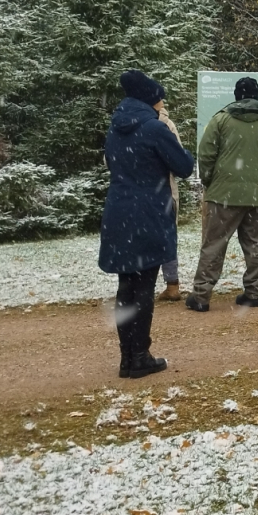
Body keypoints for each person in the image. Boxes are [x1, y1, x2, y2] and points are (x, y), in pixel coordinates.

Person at [101, 70, 195, 378]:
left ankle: (127, 357)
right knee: (144, 286)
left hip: (119, 212)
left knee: (125, 286)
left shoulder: (115, 129)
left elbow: (112, 164)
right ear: (151, 100)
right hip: (148, 213)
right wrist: (187, 154)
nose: (161, 103)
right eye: (159, 99)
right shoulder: (155, 129)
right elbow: (183, 167)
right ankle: (140, 356)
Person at [186, 77, 258, 312]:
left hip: (223, 194)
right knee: (256, 246)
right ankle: (253, 293)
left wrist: (209, 181)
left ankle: (201, 296)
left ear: (236, 95)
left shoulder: (220, 120)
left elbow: (206, 155)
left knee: (213, 244)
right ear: (257, 96)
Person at [155, 103, 186, 302]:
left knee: (139, 239)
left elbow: (109, 160)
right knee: (167, 238)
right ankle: (172, 284)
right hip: (165, 189)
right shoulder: (166, 125)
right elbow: (179, 158)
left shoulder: (124, 123)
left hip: (135, 193)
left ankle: (137, 286)